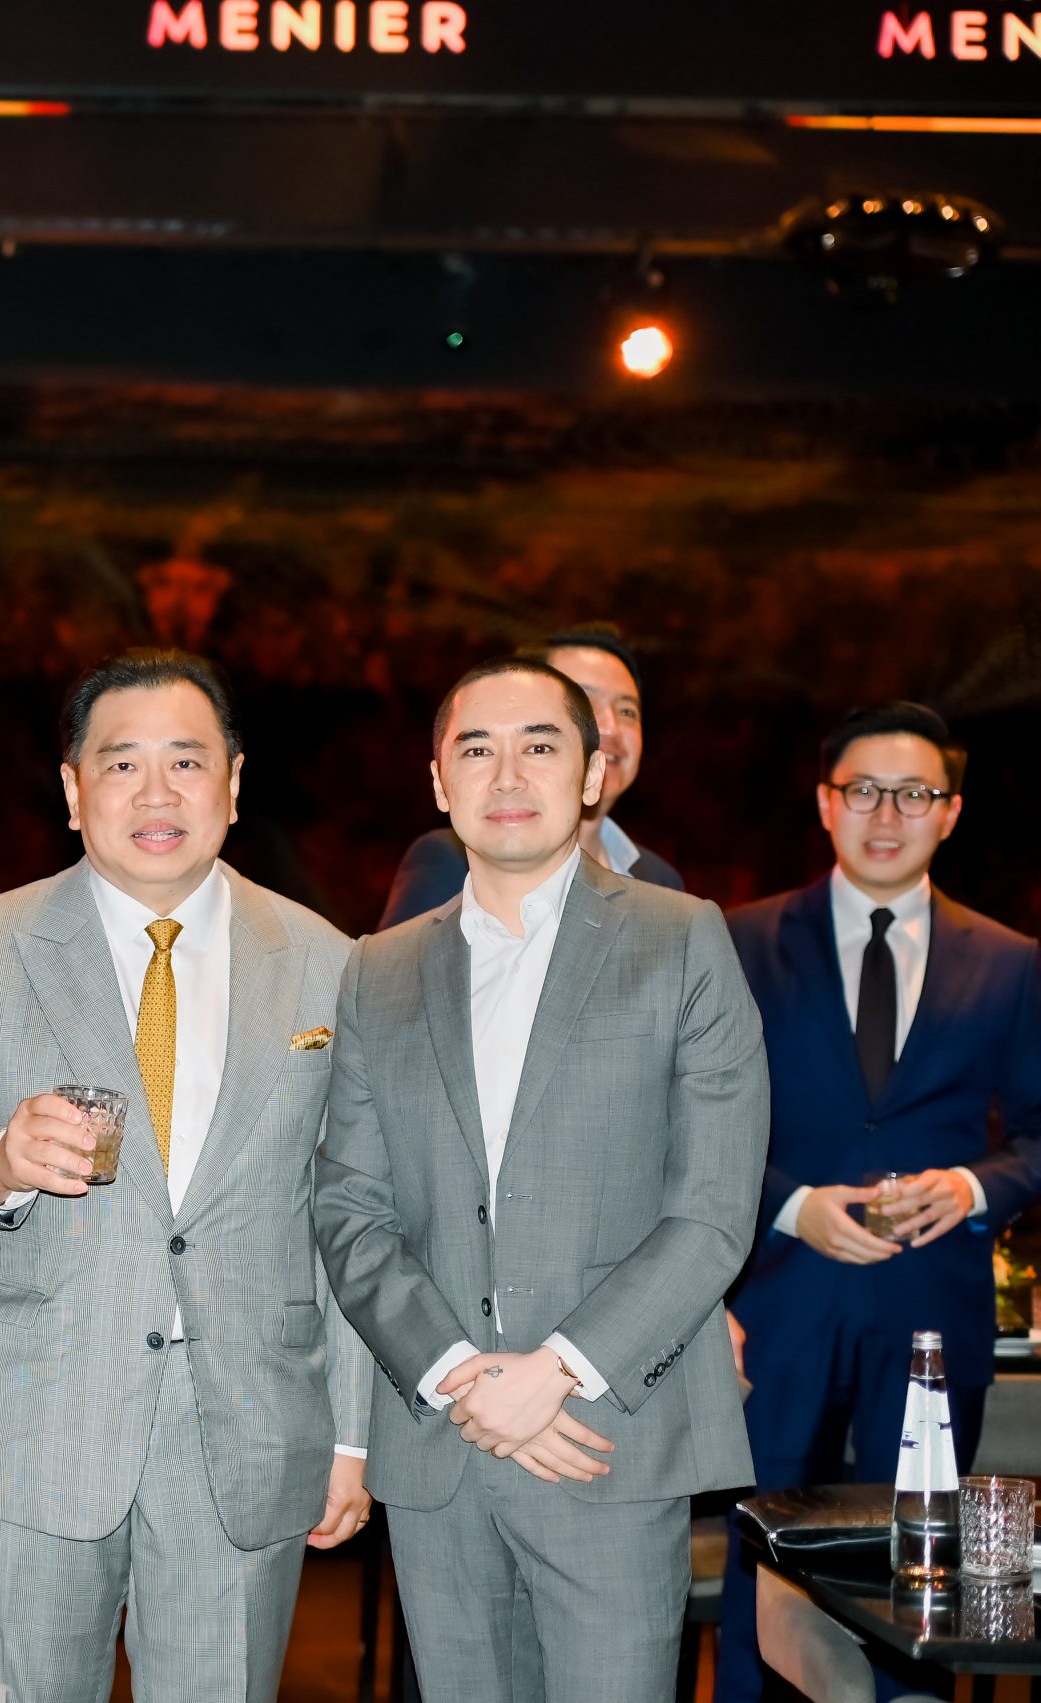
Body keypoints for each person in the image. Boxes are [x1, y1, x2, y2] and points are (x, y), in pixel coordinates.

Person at [0, 649, 373, 1703]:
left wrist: (350, 1432)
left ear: (233, 783)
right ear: (74, 790)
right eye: (122, 764)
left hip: (246, 1426)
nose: (156, 793)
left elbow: (344, 1214)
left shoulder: (328, 960)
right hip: (36, 1420)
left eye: (186, 762)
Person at [315, 654, 768, 1703]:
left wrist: (555, 1369)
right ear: (439, 781)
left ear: (592, 774)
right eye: (477, 747)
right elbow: (350, 1208)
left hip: (606, 1438)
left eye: (541, 745)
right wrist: (458, 1373)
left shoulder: (681, 938)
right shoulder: (378, 968)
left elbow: (710, 1210)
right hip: (441, 1441)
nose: (508, 773)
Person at [717, 702, 1041, 1703]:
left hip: (932, 1307)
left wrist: (970, 1185)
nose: (886, 813)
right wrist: (789, 1205)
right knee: (759, 1557)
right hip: (778, 1301)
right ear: (825, 802)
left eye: (913, 793)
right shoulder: (735, 939)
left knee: (920, 1567)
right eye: (863, 790)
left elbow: (1038, 1133)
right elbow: (690, 1124)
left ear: (950, 811)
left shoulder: (1012, 958)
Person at [379, 624, 683, 929]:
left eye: (627, 711)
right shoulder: (450, 860)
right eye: (584, 701)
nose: (610, 727)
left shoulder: (660, 879)